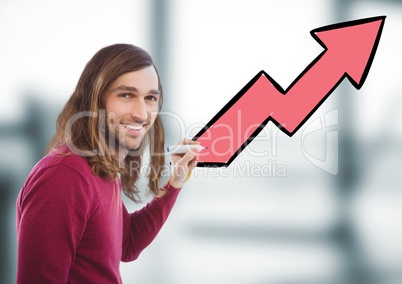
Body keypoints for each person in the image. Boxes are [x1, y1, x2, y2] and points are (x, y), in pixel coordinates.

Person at [16, 43, 199, 283]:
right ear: (95, 100)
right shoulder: (64, 178)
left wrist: (174, 181)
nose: (142, 114)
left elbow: (128, 243)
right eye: (126, 95)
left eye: (150, 98)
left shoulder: (102, 168)